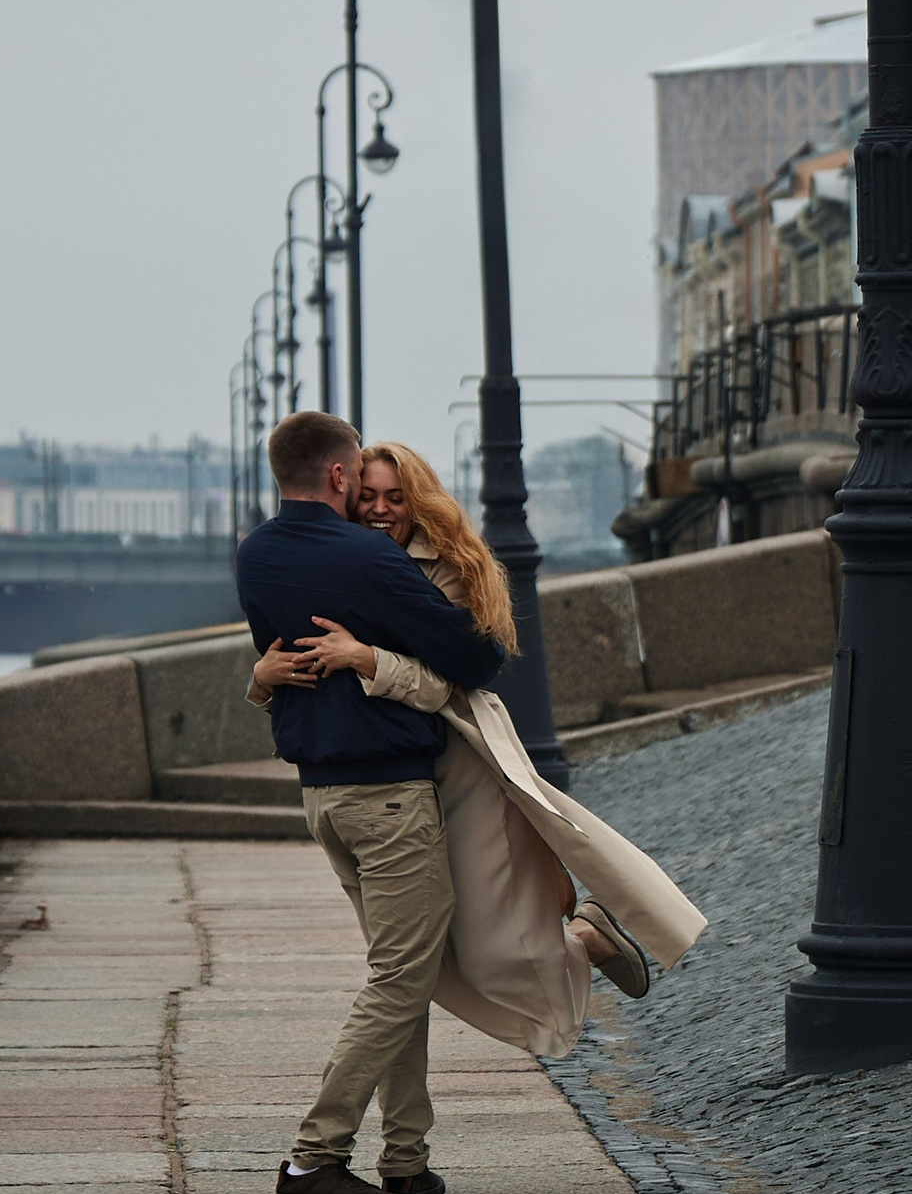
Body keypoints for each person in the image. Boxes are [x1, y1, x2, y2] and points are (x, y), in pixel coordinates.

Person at [254, 437, 705, 1066]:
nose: (381, 509)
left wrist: (367, 659)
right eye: (368, 497)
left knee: (488, 948)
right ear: (346, 495)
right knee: (425, 960)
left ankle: (582, 939)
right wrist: (261, 678)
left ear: (418, 502)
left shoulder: (444, 568)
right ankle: (405, 1144)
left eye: (395, 497)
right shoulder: (345, 564)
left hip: (461, 766)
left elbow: (449, 681)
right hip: (391, 780)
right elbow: (301, 662)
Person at [233, 409, 507, 1194]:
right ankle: (314, 1157)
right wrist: (385, 653)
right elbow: (477, 658)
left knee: (403, 970)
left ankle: (406, 1160)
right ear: (340, 476)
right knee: (399, 977)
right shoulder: (367, 559)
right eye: (361, 478)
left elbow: (276, 663)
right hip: (388, 794)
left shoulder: (255, 556)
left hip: (321, 794)